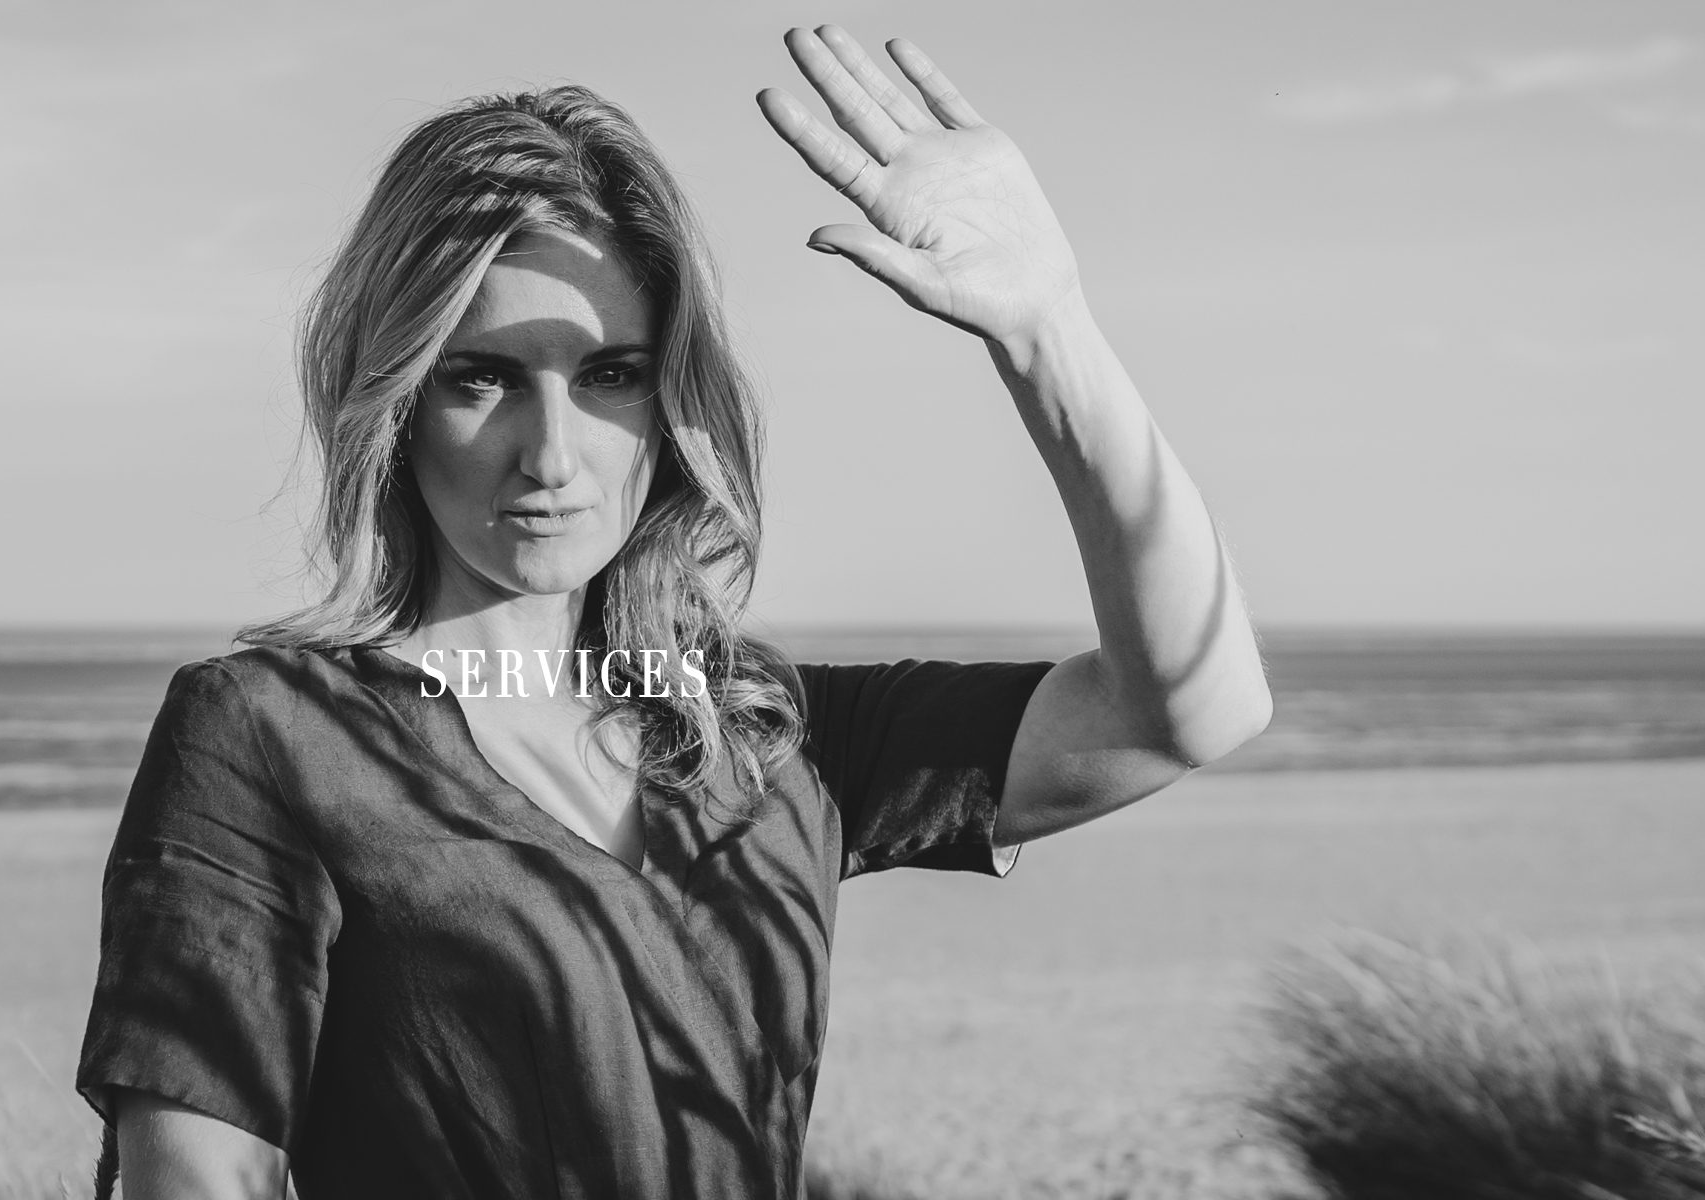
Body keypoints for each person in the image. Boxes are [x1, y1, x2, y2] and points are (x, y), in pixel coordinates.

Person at [76, 24, 1272, 1200]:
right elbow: (200, 1178)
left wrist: (1047, 327)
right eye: (480, 376)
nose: (551, 455)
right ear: (395, 399)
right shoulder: (271, 736)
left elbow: (1190, 707)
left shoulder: (767, 732)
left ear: (669, 397)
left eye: (609, 375)